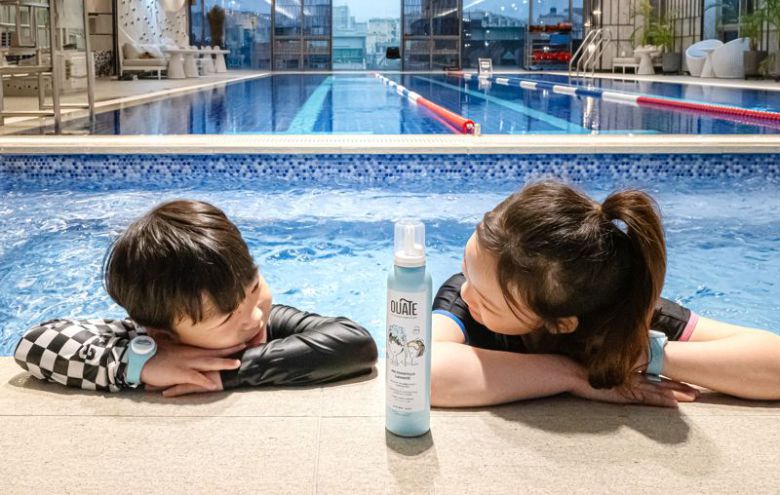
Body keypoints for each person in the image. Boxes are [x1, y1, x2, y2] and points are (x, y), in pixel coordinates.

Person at [430, 181, 780, 408]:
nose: (466, 292)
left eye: (487, 301)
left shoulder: (621, 312)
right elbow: (421, 371)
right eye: (466, 268)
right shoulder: (463, 298)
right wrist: (572, 375)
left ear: (560, 323)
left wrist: (638, 355)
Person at [13, 200, 377, 397]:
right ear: (162, 333)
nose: (254, 317)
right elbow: (32, 343)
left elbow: (356, 343)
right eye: (227, 318)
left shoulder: (264, 319)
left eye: (254, 288)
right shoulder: (140, 340)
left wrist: (229, 374)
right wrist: (138, 365)